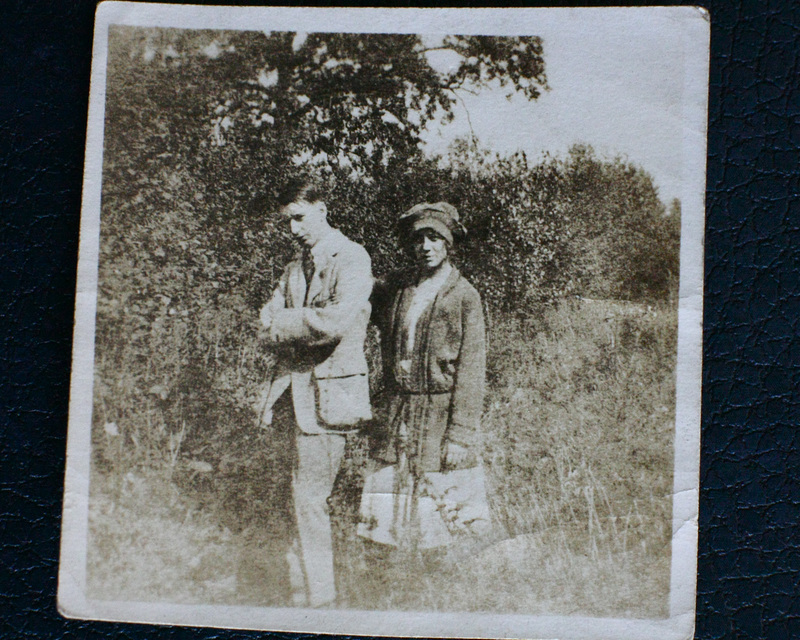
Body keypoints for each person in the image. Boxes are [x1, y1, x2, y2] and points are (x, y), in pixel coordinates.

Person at [257, 178, 373, 608]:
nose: (294, 229)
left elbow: (332, 324)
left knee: (309, 502)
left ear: (323, 208)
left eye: (300, 218)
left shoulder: (353, 257)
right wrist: (282, 323)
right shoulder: (292, 268)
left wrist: (284, 323)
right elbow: (262, 324)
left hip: (328, 404)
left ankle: (320, 605)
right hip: (289, 398)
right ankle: (297, 598)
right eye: (288, 221)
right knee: (292, 502)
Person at [358, 202, 490, 554]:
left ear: (449, 244)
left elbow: (472, 369)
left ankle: (434, 584)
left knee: (440, 514)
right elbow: (359, 294)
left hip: (438, 416)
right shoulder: (399, 289)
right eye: (419, 239)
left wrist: (460, 434)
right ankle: (384, 576)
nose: (426, 247)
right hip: (398, 411)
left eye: (435, 238)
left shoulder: (464, 296)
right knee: (384, 512)